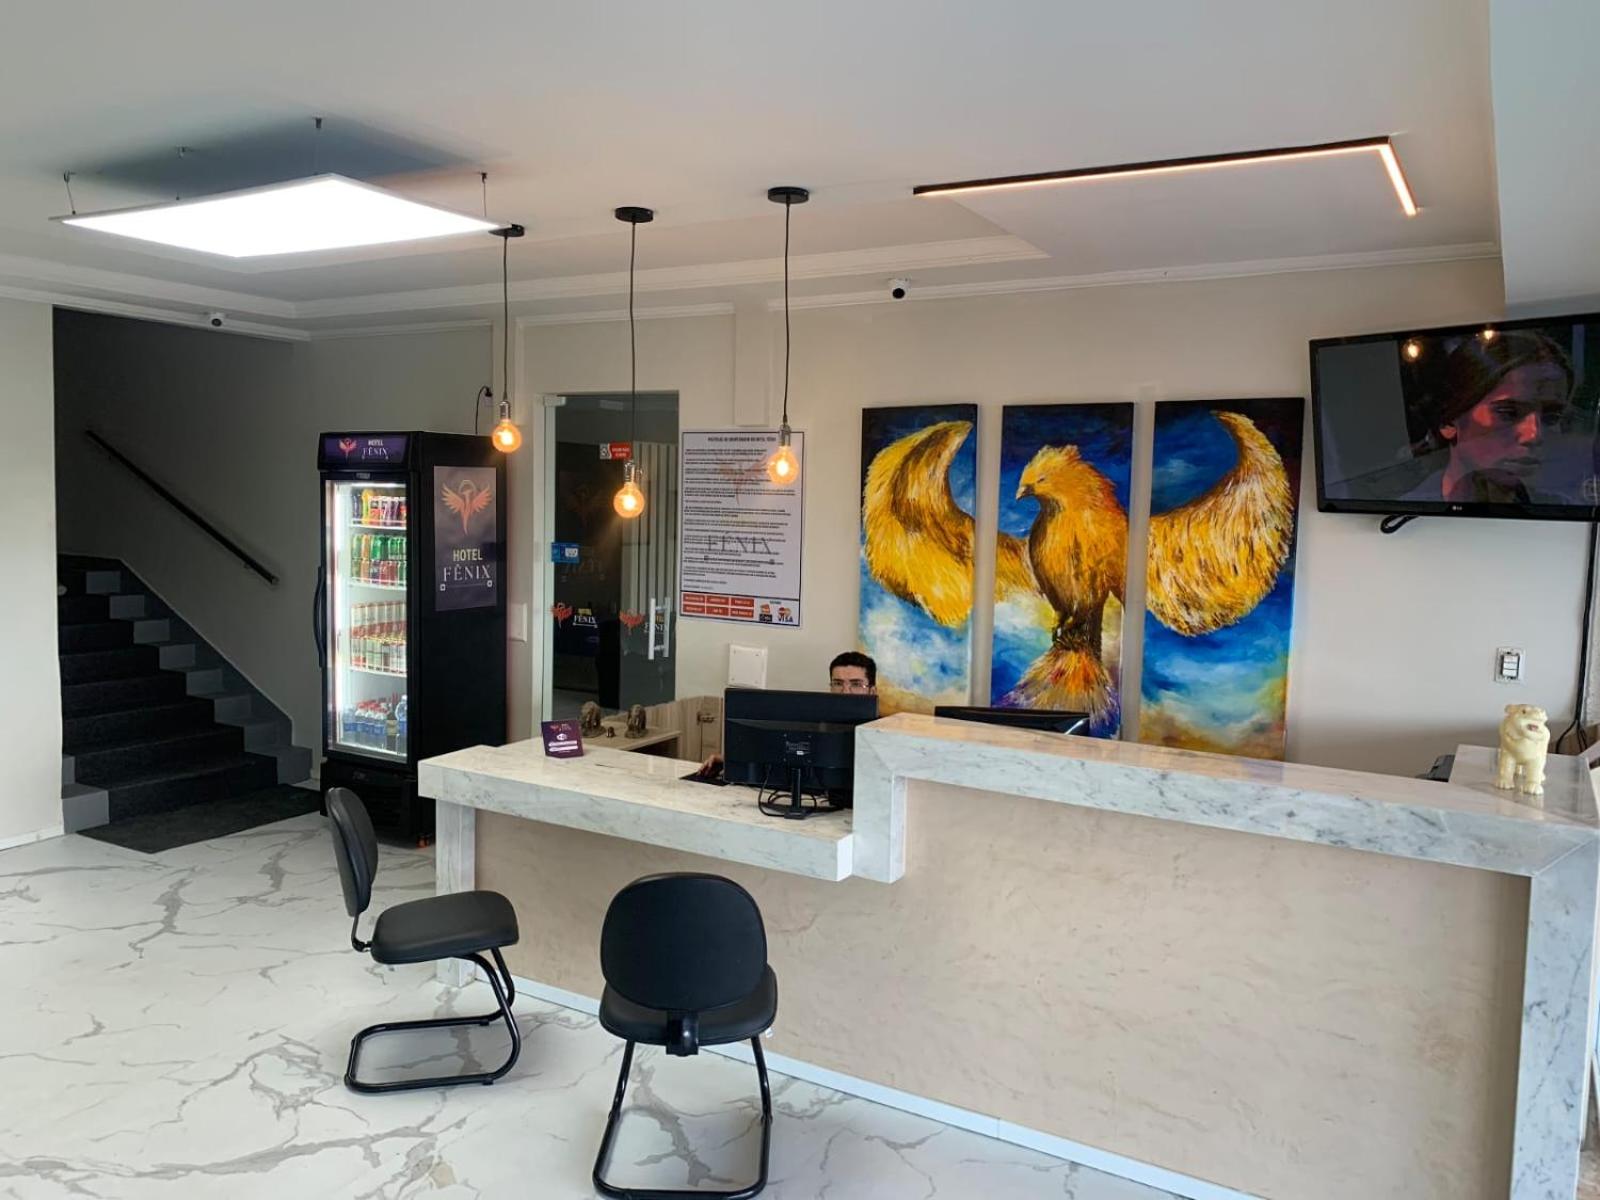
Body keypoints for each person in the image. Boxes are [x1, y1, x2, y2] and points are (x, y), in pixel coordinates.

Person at [1403, 330, 1582, 504]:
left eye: (1551, 417)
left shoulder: (1562, 510)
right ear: (1448, 420)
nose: (1533, 435)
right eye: (1508, 413)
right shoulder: (1410, 511)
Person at [695, 651, 877, 778]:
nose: (845, 691)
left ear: (872, 691)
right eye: (837, 683)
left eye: (856, 684)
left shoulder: (882, 733)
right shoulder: (816, 719)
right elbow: (787, 754)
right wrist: (732, 761)